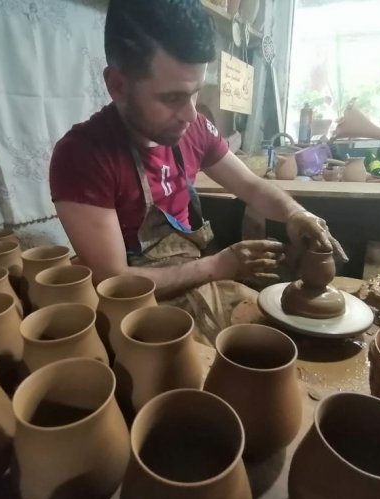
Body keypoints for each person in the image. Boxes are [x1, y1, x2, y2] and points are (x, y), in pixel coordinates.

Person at [49, 0, 346, 344]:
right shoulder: (81, 157)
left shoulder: (194, 129)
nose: (190, 114)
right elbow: (114, 280)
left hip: (197, 277)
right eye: (172, 98)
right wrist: (218, 266)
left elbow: (251, 186)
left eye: (195, 93)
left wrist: (295, 213)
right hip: (134, 312)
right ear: (117, 85)